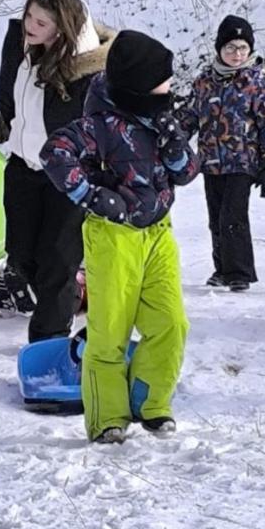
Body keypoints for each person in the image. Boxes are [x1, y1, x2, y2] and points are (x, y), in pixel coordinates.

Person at [41, 29, 200, 443]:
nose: (170, 86)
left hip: (158, 234)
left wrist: (174, 141)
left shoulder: (161, 116)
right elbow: (54, 153)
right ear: (139, 83)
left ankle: (150, 402)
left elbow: (186, 171)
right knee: (109, 332)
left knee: (171, 323)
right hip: (114, 237)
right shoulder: (101, 124)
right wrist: (93, 196)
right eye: (163, 79)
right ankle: (108, 417)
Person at [0, 0, 113, 339]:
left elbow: (99, 127)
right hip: (22, 166)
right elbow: (9, 100)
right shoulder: (21, 45)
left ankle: (49, 341)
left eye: (41, 22)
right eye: (29, 15)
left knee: (57, 262)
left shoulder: (87, 69)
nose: (30, 25)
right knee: (20, 256)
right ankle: (66, 295)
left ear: (62, 26)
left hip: (66, 175)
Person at [180, 15, 265, 292]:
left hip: (242, 162)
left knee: (232, 217)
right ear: (219, 50)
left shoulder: (258, 84)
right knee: (216, 218)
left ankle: (240, 272)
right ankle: (222, 269)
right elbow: (190, 115)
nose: (236, 54)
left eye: (242, 48)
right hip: (211, 161)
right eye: (230, 48)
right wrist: (174, 138)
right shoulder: (204, 82)